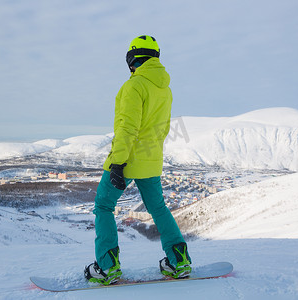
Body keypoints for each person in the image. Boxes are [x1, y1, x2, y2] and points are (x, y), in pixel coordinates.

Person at [84, 35, 191, 285]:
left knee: (103, 206)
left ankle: (107, 267)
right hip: (151, 161)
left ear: (133, 59)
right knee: (158, 208)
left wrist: (118, 163)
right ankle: (180, 261)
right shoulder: (165, 89)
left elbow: (127, 129)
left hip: (128, 159)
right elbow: (162, 130)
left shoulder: (133, 86)